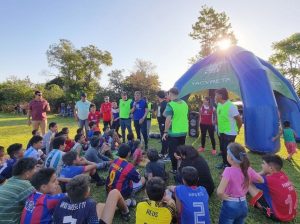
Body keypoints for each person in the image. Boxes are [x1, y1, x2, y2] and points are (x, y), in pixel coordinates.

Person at [53, 175, 130, 224]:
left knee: (99, 206)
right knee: (114, 192)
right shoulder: (90, 204)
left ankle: (120, 206)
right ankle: (125, 212)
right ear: (86, 193)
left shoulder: (61, 201)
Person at [217, 143, 263, 224]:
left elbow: (220, 191)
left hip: (230, 204)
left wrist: (224, 197)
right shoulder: (248, 169)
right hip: (243, 204)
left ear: (230, 158)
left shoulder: (228, 170)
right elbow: (261, 180)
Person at [249, 154, 298, 222]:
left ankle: (242, 194)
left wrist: (263, 172)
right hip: (291, 215)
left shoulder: (268, 180)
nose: (261, 165)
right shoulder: (282, 174)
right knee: (269, 192)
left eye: (263, 163)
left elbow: (250, 179)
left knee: (249, 184)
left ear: (271, 168)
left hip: (278, 217)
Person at [0, 158, 37, 224]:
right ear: (27, 173)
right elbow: (38, 206)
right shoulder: (25, 185)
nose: (37, 171)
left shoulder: (9, 180)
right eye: (35, 168)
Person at [215, 88, 243, 169]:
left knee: (228, 150)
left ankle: (230, 166)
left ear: (221, 96)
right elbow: (219, 115)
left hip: (230, 133)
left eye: (216, 95)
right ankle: (225, 163)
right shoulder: (219, 104)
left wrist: (238, 129)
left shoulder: (231, 106)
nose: (215, 96)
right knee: (223, 149)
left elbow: (239, 120)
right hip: (222, 131)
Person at [162, 87, 188, 174]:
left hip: (174, 132)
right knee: (181, 150)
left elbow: (167, 119)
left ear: (170, 94)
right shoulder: (184, 103)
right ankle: (181, 167)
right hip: (183, 131)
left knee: (173, 152)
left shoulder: (171, 104)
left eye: (168, 94)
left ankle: (175, 169)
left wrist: (165, 132)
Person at [157, 90, 168, 158]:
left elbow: (167, 115)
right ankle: (163, 151)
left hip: (164, 123)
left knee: (164, 138)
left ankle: (164, 152)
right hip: (160, 123)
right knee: (162, 137)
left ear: (158, 96)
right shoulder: (160, 104)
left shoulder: (165, 104)